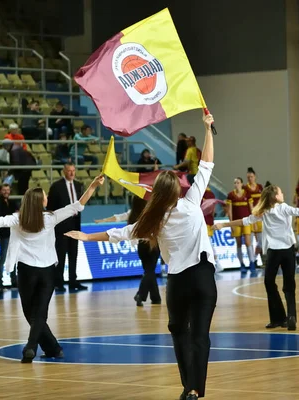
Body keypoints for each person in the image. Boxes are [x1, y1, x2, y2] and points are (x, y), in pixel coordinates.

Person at [68, 113, 216, 400]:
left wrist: (87, 237)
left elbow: (120, 233)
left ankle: (189, 387)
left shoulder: (153, 219)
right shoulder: (191, 202)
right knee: (201, 337)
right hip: (203, 277)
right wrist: (208, 129)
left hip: (178, 283)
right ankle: (195, 388)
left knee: (178, 332)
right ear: (177, 189)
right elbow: (207, 163)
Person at [0, 175, 104, 363]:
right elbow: (78, 204)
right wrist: (93, 185)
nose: (47, 198)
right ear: (40, 201)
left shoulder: (18, 218)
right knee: (39, 314)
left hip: (27, 272)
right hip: (47, 273)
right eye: (44, 196)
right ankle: (52, 348)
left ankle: (31, 346)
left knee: (33, 314)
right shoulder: (51, 217)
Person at [214, 184, 299, 331]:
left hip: (274, 253)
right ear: (276, 197)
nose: (283, 193)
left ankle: (280, 318)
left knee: (270, 283)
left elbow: (244, 221)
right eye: (281, 192)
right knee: (289, 285)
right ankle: (288, 317)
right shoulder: (281, 208)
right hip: (287, 251)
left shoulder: (264, 211)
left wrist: (224, 224)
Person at [97, 196, 162, 307]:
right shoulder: (151, 212)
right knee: (150, 271)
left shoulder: (133, 213)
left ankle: (155, 297)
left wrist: (103, 220)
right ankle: (140, 294)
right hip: (152, 245)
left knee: (148, 271)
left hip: (141, 246)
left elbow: (118, 217)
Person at [47, 163, 86, 292]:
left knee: (74, 254)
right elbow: (51, 207)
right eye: (69, 171)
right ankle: (58, 282)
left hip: (75, 223)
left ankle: (73, 281)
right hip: (61, 226)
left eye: (73, 171)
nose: (71, 173)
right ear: (64, 171)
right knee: (61, 254)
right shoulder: (56, 186)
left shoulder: (79, 186)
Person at [226, 177, 257, 277]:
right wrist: (231, 224)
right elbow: (229, 211)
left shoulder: (247, 194)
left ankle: (252, 262)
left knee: (248, 242)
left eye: (238, 182)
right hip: (236, 222)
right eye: (235, 183)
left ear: (241, 183)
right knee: (238, 243)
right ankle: (242, 264)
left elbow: (252, 209)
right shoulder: (231, 195)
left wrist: (255, 222)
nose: (236, 184)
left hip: (247, 221)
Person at [0, 183, 19, 286]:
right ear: (0, 191)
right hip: (4, 235)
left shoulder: (13, 202)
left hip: (13, 234)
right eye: (4, 190)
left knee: (13, 257)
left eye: (8, 189)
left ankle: (14, 280)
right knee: (3, 258)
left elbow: (16, 214)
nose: (6, 191)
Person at [245, 167, 264, 260]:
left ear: (255, 177)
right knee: (250, 241)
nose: (250, 179)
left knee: (261, 241)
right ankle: (252, 261)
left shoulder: (260, 187)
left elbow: (263, 200)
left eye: (251, 177)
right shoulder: (245, 188)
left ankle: (256, 258)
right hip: (251, 217)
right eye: (248, 177)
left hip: (260, 216)